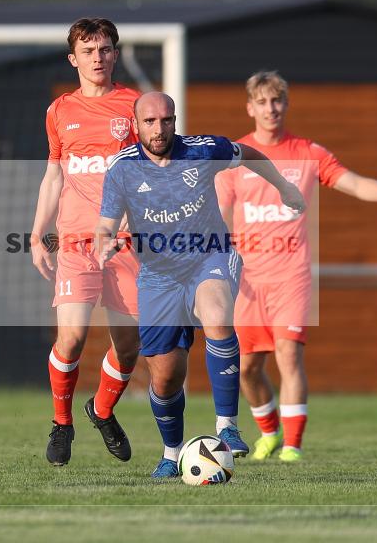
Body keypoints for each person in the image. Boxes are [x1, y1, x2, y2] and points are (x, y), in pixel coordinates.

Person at [96, 91, 306, 478]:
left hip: (210, 255)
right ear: (135, 124)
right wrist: (105, 243)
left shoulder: (204, 150)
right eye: (150, 122)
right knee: (166, 374)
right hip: (158, 275)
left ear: (175, 120)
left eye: (166, 120)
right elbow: (106, 223)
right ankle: (171, 452)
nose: (159, 129)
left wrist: (283, 186)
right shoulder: (122, 168)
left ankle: (227, 425)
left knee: (217, 314)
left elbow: (251, 155)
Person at [216, 70, 377, 462]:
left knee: (288, 355)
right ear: (250, 108)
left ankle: (293, 444)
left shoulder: (308, 153)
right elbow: (219, 214)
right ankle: (270, 432)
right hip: (248, 281)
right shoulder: (235, 156)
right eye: (263, 102)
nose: (271, 108)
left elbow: (354, 184)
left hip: (291, 275)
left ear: (286, 105)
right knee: (246, 369)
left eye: (277, 101)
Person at [31, 17, 141, 466]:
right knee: (73, 337)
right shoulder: (60, 110)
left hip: (127, 243)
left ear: (115, 54)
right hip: (77, 241)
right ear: (73, 58)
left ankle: (101, 409)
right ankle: (62, 423)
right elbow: (54, 174)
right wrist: (38, 234)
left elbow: (149, 172)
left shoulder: (136, 106)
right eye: (89, 50)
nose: (98, 58)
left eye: (106, 49)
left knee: (130, 347)